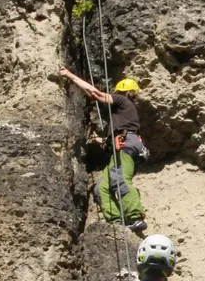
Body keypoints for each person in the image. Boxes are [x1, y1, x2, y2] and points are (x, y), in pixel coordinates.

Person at [57, 67, 149, 232]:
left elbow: (95, 94)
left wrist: (70, 75)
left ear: (121, 92)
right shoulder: (124, 116)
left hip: (126, 146)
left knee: (119, 179)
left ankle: (135, 215)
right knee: (101, 188)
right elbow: (110, 141)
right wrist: (96, 140)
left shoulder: (122, 101)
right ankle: (116, 222)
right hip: (122, 148)